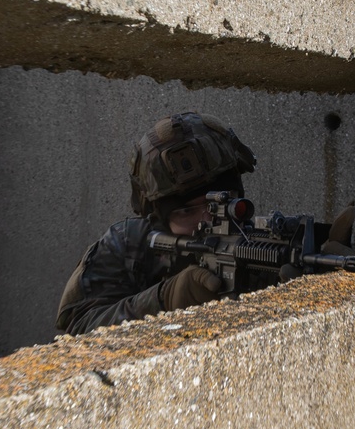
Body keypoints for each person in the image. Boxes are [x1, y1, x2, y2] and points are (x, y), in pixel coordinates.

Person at [55, 111, 257, 336]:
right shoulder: (127, 245)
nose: (207, 220)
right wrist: (163, 299)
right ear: (159, 220)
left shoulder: (256, 244)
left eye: (221, 203)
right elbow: (77, 330)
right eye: (187, 211)